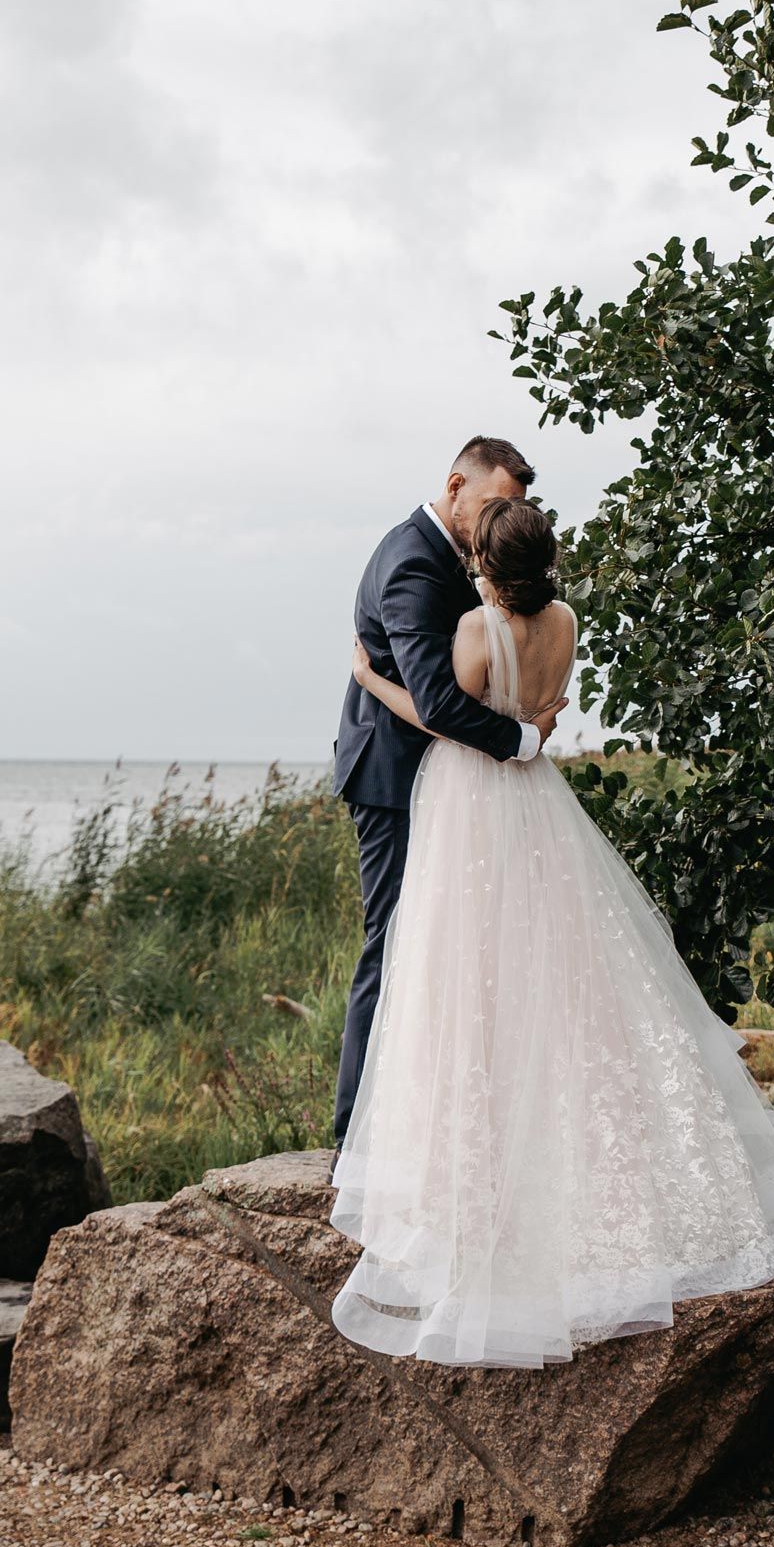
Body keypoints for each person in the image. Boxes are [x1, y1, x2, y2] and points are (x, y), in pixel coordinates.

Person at [328, 493, 774, 1368]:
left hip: (472, 802)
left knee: (464, 964)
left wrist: (372, 682)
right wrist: (530, 732)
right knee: (554, 962)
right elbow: (536, 714)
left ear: (483, 564)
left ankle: (473, 1155)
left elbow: (445, 716)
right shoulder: (564, 622)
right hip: (538, 803)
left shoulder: (475, 630)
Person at [329, 436, 568, 1155]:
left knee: (460, 949)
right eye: (495, 503)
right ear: (457, 485)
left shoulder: (471, 563)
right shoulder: (412, 561)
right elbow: (436, 702)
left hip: (461, 788)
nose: (500, 521)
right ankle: (355, 1140)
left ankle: (449, 1121)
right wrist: (525, 739)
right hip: (396, 780)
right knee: (394, 943)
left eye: (514, 510)